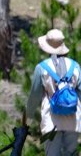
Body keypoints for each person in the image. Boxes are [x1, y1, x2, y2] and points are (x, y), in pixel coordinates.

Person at [28, 28, 81, 156]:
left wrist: (28, 117)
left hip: (51, 120)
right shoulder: (76, 66)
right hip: (73, 120)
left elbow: (34, 96)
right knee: (72, 153)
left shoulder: (41, 68)